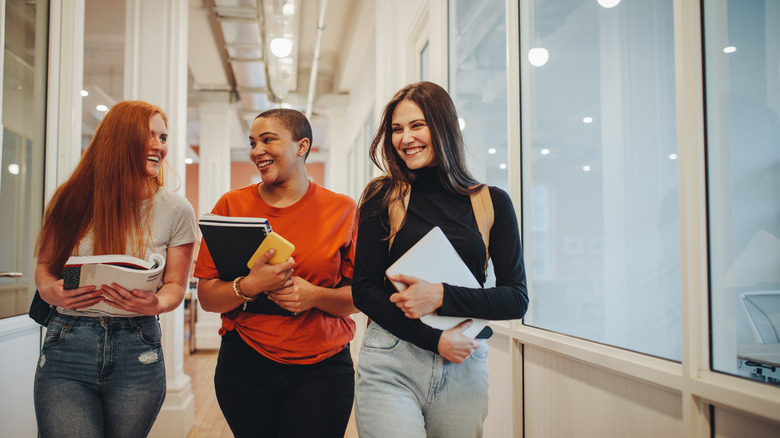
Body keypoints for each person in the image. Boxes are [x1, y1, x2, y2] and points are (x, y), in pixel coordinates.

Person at [352, 81, 529, 437]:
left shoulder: (491, 202)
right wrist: (434, 340)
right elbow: (364, 289)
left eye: (417, 125)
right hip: (391, 359)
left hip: (464, 363)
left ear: (443, 126)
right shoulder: (381, 196)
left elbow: (516, 298)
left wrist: (442, 296)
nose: (405, 139)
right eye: (397, 130)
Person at [33, 100, 198, 438]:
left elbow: (175, 288)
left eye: (163, 138)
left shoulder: (177, 210)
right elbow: (45, 270)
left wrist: (157, 303)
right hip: (68, 343)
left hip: (137, 349)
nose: (159, 146)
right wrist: (51, 292)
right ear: (119, 139)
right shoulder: (70, 200)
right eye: (148, 136)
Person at [194, 108, 359, 438]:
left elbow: (360, 296)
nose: (257, 151)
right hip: (245, 362)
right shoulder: (231, 206)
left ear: (302, 146)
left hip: (323, 366)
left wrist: (313, 296)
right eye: (253, 142)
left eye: (268, 140)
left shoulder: (342, 209)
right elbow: (207, 298)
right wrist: (249, 285)